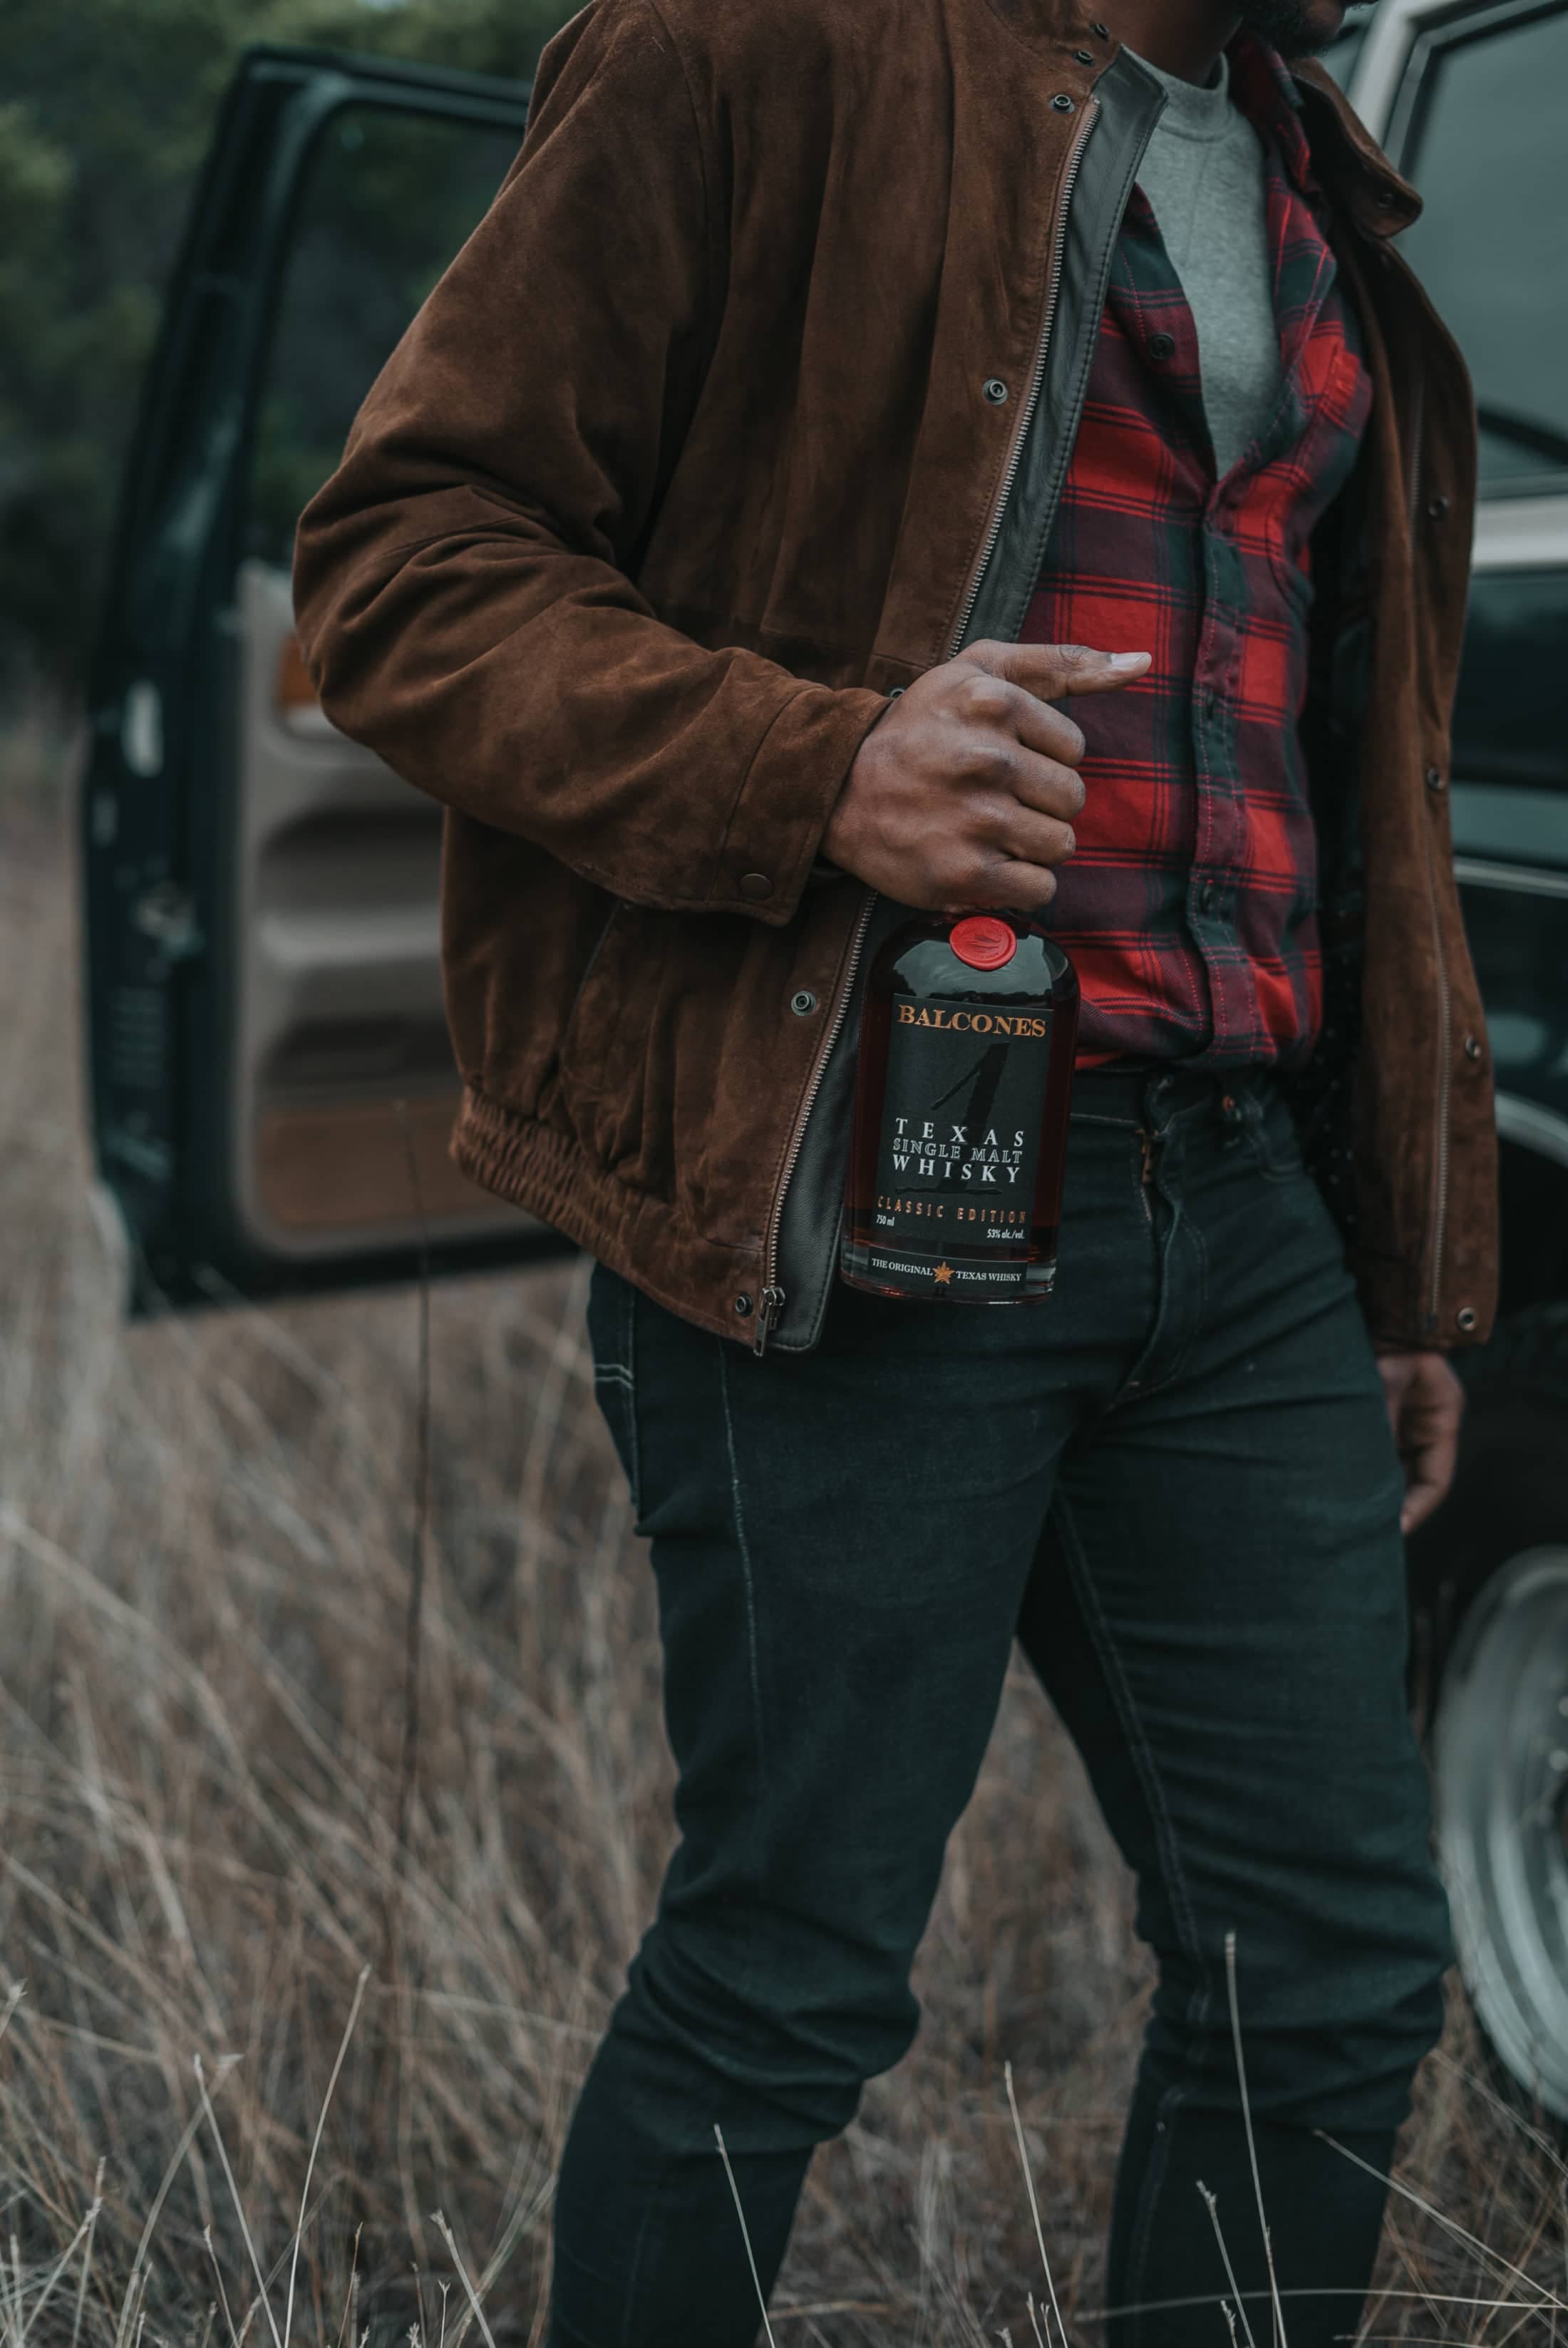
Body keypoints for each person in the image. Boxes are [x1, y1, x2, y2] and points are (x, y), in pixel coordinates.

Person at [293, 0, 1497, 2335]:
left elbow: (1339, 772)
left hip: (1236, 1199)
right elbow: (402, 563)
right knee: (786, 1989)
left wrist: (1387, 1254)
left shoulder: (1305, 158)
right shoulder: (749, 45)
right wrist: (816, 769)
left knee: (1335, 1976)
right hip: (866, 1159)